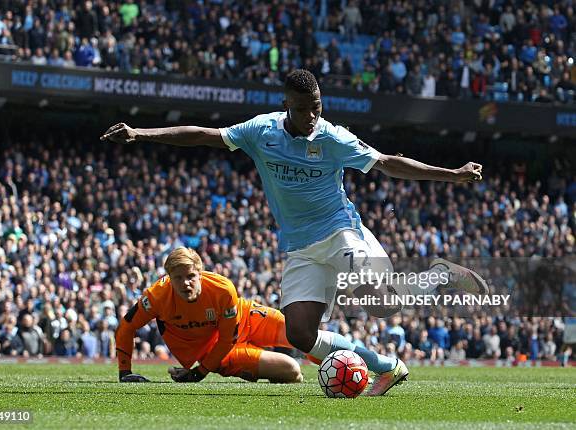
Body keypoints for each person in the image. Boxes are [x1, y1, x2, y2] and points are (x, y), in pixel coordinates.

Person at [102, 69, 487, 395]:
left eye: (316, 106)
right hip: (301, 249)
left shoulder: (333, 138)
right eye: (303, 109)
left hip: (341, 233)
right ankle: (385, 367)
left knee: (382, 304)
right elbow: (204, 134)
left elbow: (387, 162)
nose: (311, 116)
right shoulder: (261, 131)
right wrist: (139, 133)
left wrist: (451, 175)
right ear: (287, 104)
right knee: (301, 335)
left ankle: (441, 274)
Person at [115, 248, 302, 384]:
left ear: (200, 274)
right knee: (292, 370)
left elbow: (229, 335)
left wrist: (200, 372)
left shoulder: (222, 289)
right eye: (177, 278)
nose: (185, 283)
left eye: (190, 276)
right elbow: (126, 326)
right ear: (169, 278)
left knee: (303, 334)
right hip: (219, 351)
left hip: (246, 318)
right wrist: (125, 372)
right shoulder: (157, 296)